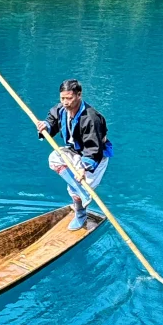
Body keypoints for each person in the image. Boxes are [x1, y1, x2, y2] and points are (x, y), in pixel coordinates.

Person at [36, 79, 112, 230]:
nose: (65, 102)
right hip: (75, 150)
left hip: (95, 156)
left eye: (69, 98)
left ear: (79, 95)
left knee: (74, 191)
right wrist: (45, 126)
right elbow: (51, 122)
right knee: (54, 158)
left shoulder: (92, 118)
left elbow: (93, 148)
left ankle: (81, 214)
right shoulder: (60, 110)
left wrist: (83, 168)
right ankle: (81, 192)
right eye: (62, 98)